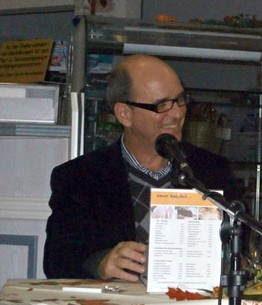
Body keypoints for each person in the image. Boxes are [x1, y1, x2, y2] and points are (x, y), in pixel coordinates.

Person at [43, 54, 236, 281]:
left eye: (180, 100)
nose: (176, 113)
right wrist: (100, 264)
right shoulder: (80, 177)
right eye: (161, 105)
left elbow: (239, 251)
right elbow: (57, 260)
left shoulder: (211, 170)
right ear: (125, 114)